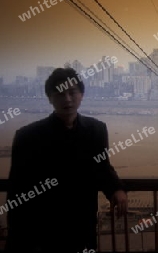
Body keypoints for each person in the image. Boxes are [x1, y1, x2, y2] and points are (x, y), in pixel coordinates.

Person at [5, 67, 128, 253]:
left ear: (82, 95)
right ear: (50, 98)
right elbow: (17, 190)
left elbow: (102, 167)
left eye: (72, 92)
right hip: (42, 229)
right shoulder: (28, 136)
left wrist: (116, 189)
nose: (67, 99)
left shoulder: (96, 130)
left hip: (82, 224)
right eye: (60, 94)